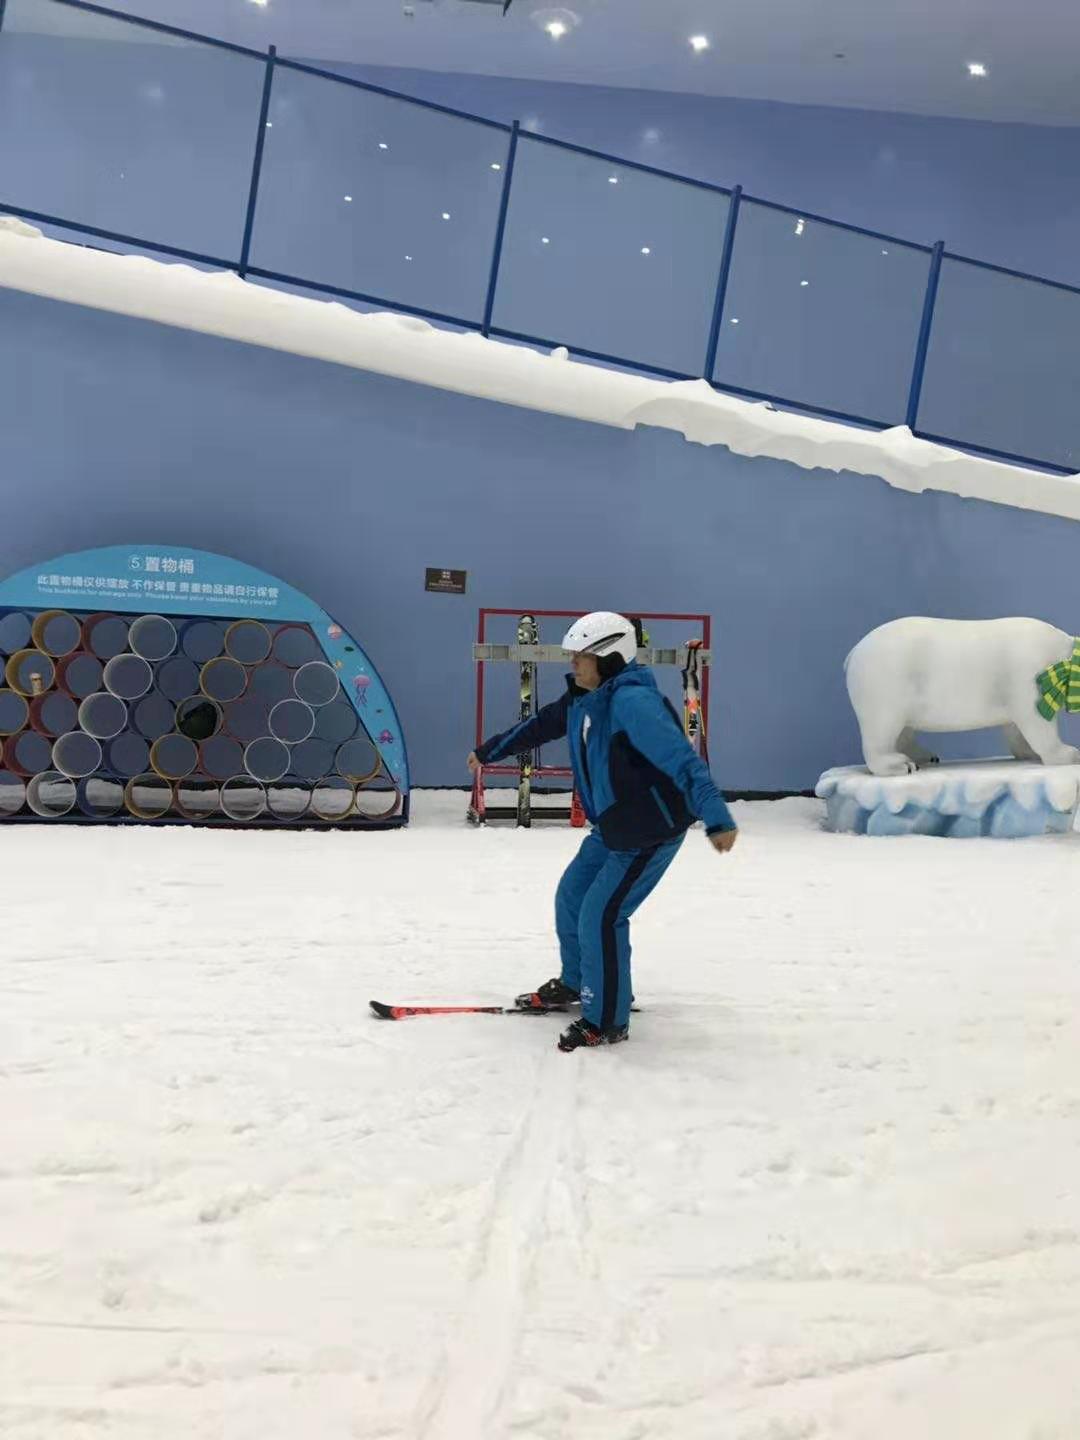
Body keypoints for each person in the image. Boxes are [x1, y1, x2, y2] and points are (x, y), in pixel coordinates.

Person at [468, 611, 739, 1053]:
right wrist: (487, 751)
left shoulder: (634, 703)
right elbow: (538, 726)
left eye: (581, 658)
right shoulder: (583, 697)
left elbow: (684, 761)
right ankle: (579, 983)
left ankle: (607, 1018)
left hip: (651, 830)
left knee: (601, 915)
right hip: (614, 827)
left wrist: (717, 816)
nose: (573, 665)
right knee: (571, 897)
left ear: (610, 659)